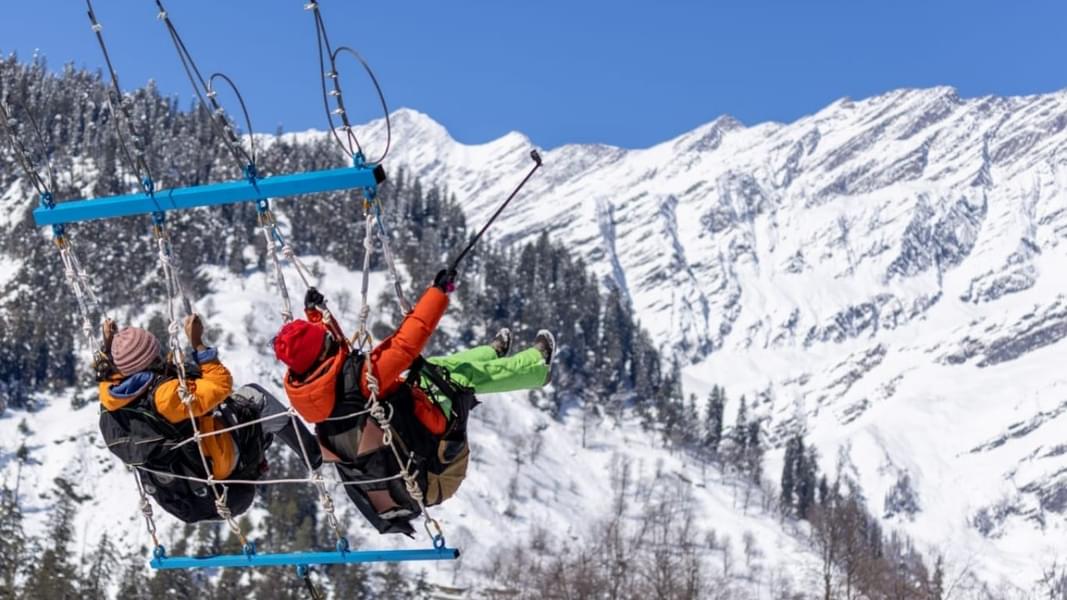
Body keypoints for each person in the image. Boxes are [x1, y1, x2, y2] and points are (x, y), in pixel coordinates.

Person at [273, 269, 555, 535]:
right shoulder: (363, 379)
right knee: (458, 378)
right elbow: (407, 342)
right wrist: (439, 292)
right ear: (323, 351)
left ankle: (490, 353)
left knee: (436, 368)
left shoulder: (308, 395)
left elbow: (331, 362)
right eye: (324, 340)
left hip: (402, 481)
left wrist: (315, 316)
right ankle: (536, 367)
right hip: (433, 469)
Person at [96, 313, 321, 524]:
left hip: (181, 487)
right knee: (254, 396)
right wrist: (198, 344)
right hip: (213, 470)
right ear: (151, 357)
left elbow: (107, 374)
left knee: (237, 416)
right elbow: (220, 385)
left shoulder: (112, 395)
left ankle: (260, 452)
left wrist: (108, 347)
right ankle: (313, 453)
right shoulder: (166, 396)